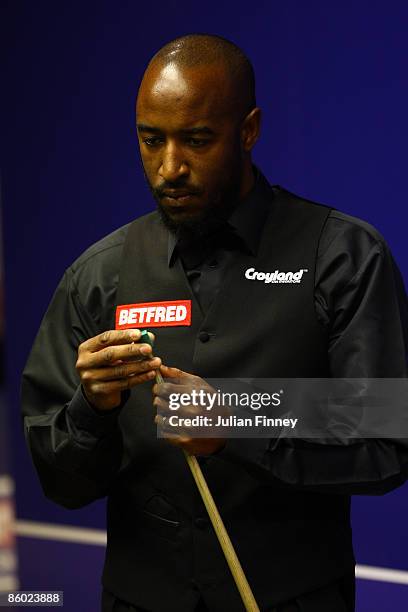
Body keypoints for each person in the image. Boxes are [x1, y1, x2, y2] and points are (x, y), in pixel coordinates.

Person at [21, 34, 408, 612]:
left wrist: (234, 418)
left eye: (197, 140)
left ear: (248, 130)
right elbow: (62, 484)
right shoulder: (96, 276)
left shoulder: (343, 256)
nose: (169, 167)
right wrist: (91, 409)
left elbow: (383, 438)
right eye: (151, 141)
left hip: (292, 599)